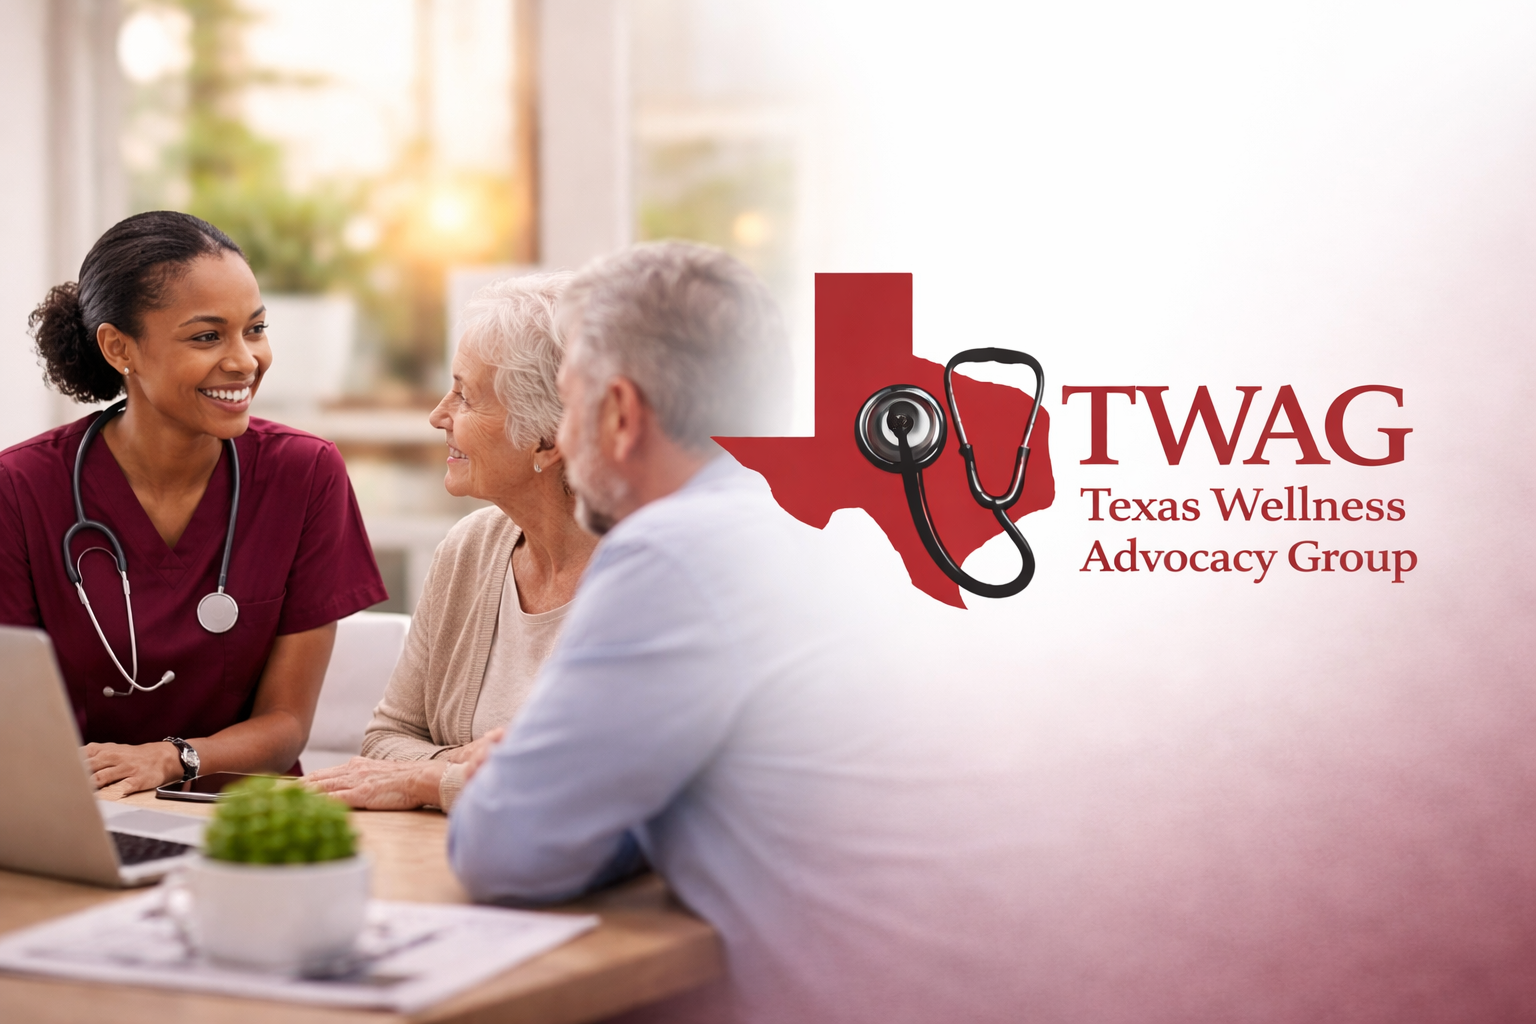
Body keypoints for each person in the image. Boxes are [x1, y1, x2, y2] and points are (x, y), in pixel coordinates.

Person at [448, 242, 956, 1023]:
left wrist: (518, 769)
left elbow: (503, 852)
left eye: (570, 397)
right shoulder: (821, 544)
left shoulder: (671, 554)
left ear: (618, 414)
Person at [0, 211, 386, 797]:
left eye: (254, 329)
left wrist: (169, 759)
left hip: (243, 817)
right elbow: (15, 721)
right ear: (118, 347)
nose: (244, 360)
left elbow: (286, 726)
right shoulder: (21, 487)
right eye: (208, 336)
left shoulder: (303, 473)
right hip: (84, 810)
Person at [307, 273, 595, 812]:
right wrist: (473, 772)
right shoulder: (471, 548)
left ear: (549, 438)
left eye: (465, 395)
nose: (438, 415)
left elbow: (597, 783)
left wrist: (430, 781)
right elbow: (387, 737)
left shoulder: (651, 577)